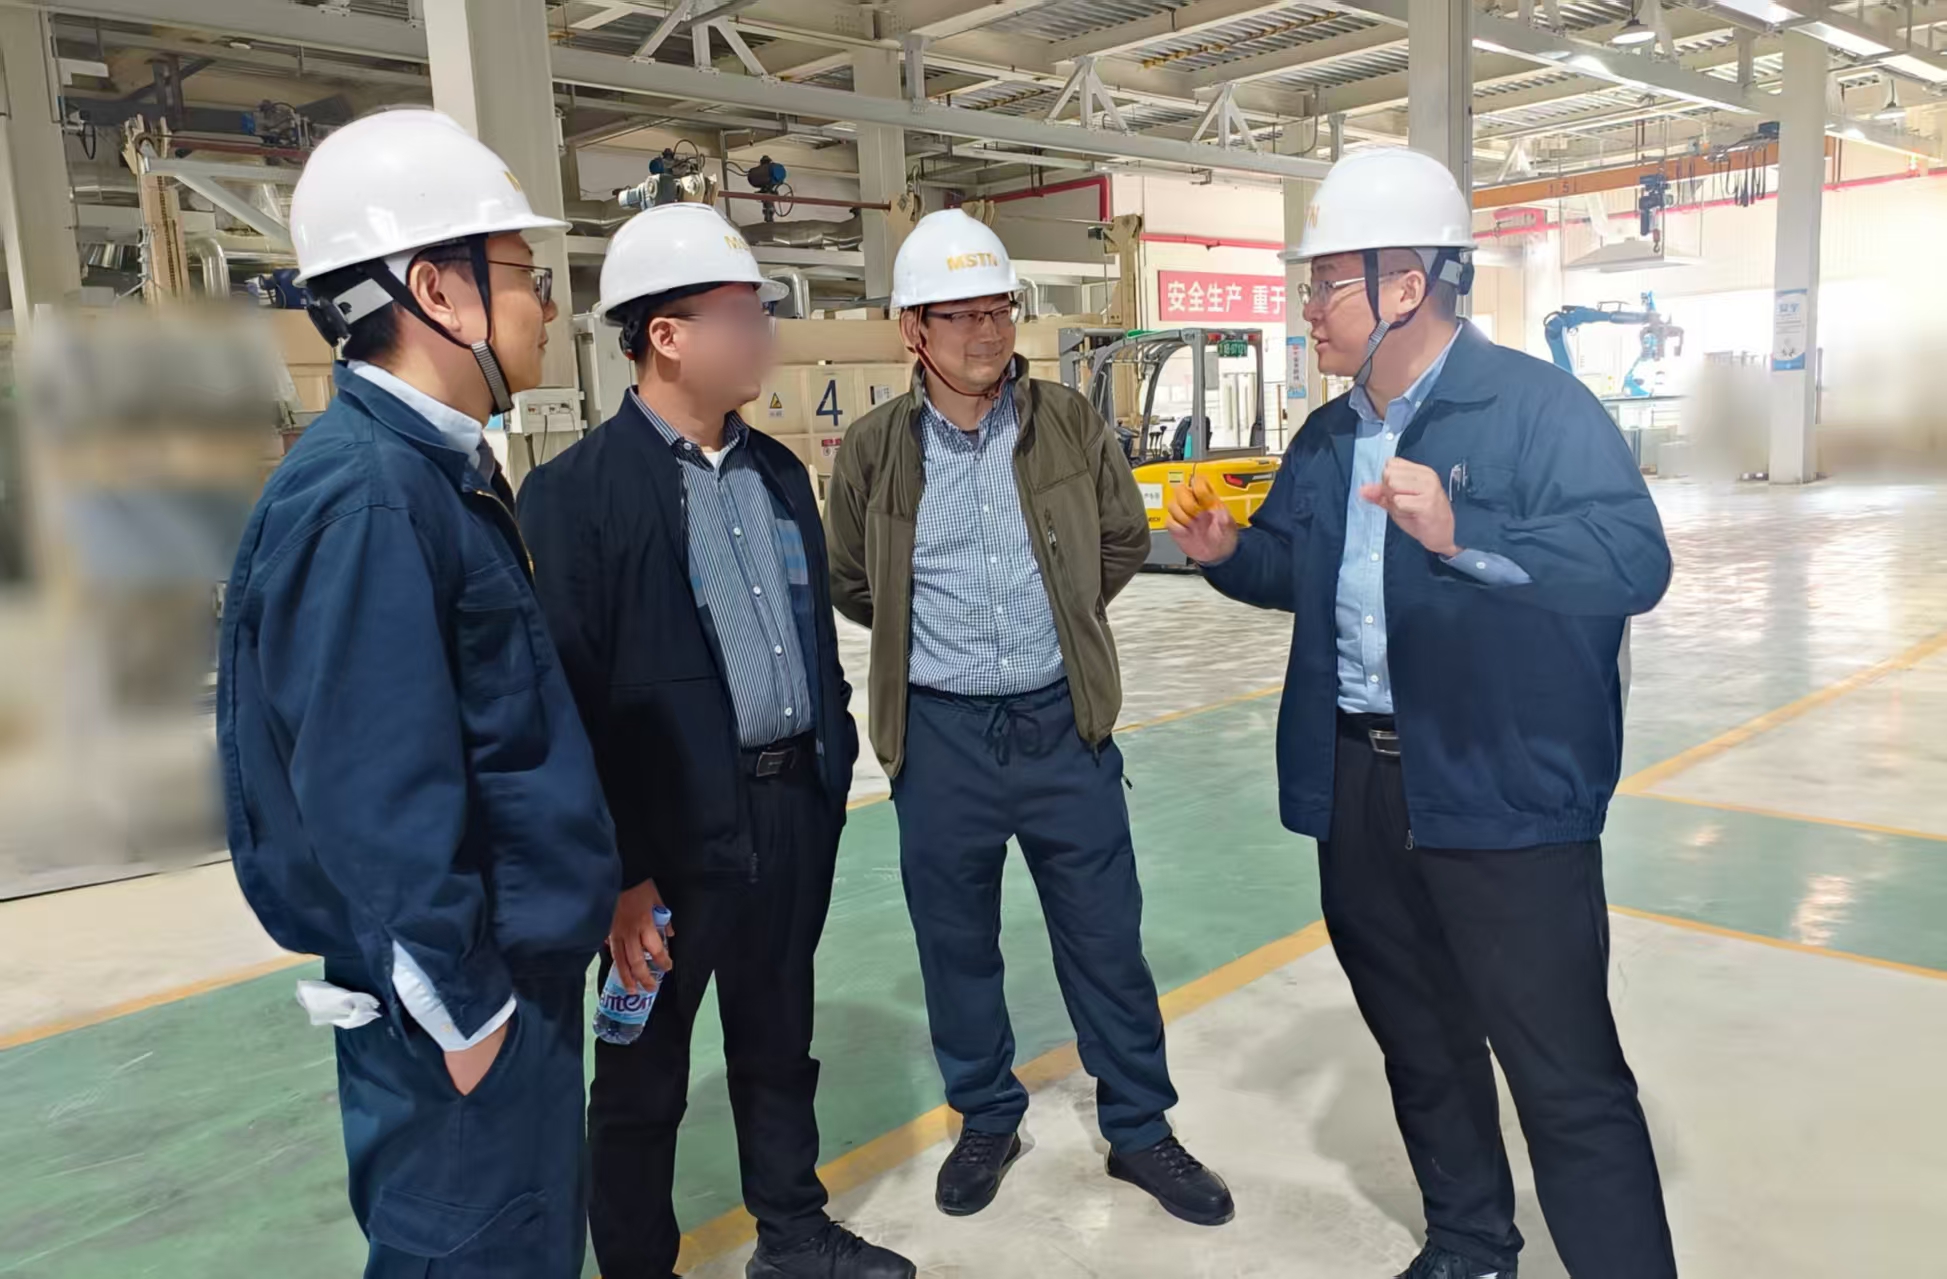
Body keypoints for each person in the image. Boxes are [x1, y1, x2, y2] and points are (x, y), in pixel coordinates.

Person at [1166, 147, 1676, 1279]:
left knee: (1563, 1074)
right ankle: (1470, 1243)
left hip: (1503, 786)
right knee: (1421, 1041)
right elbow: (1295, 567)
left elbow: (1633, 562)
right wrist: (1229, 553)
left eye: (1325, 284)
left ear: (1404, 286)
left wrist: (1463, 533)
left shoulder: (1538, 410)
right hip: (1361, 784)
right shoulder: (1329, 434)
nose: (1308, 308)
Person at [217, 108, 618, 1277]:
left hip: (509, 982)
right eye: (524, 273)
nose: (546, 304)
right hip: (464, 1015)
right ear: (439, 292)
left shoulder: (434, 474)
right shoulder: (371, 498)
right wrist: (468, 1011)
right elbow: (370, 790)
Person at [516, 203, 914, 1279]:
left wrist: (827, 771)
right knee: (641, 1074)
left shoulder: (777, 473)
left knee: (779, 1036)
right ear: (666, 335)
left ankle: (792, 1232)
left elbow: (811, 642)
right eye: (741, 315)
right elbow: (569, 704)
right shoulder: (574, 496)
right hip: (664, 845)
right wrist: (620, 874)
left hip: (787, 812)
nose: (763, 336)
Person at [825, 209, 1234, 1228]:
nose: (986, 332)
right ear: (912, 330)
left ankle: (1139, 1126)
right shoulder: (875, 449)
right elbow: (853, 579)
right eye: (959, 315)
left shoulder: (1068, 422)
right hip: (941, 738)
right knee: (955, 944)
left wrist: (1062, 620)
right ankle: (986, 1117)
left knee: (1106, 939)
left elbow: (1122, 539)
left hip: (1062, 725)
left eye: (997, 309)